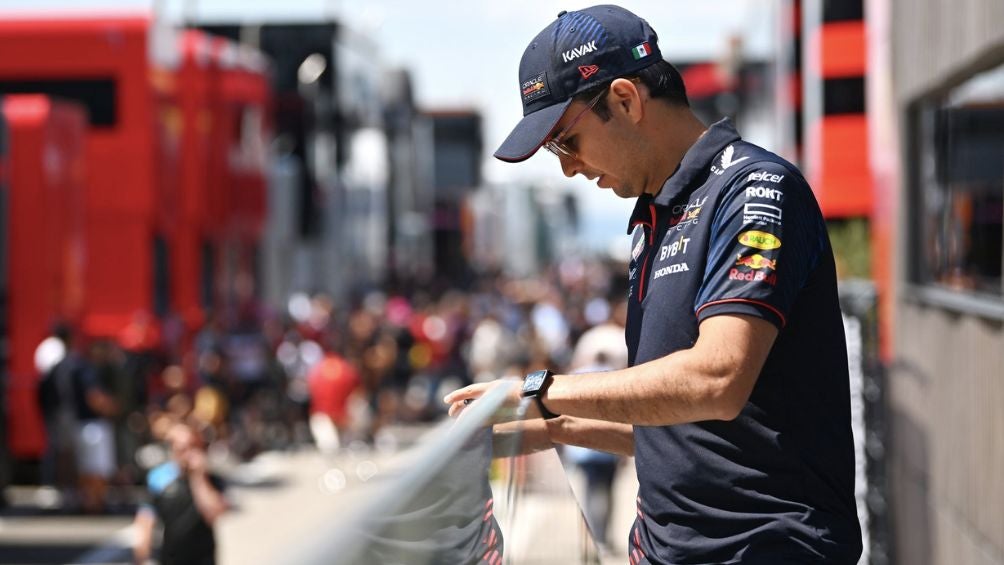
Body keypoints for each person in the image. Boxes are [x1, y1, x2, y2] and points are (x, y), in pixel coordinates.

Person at [445, 5, 862, 564]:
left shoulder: (754, 189)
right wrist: (552, 428)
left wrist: (531, 390)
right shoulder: (652, 217)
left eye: (565, 141)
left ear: (626, 99)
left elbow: (717, 379)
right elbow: (683, 435)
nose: (567, 168)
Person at [133, 422, 228, 565]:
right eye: (183, 448)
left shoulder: (211, 479)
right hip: (171, 558)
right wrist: (143, 557)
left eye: (194, 446)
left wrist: (199, 478)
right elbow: (145, 519)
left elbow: (214, 514)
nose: (189, 454)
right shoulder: (160, 478)